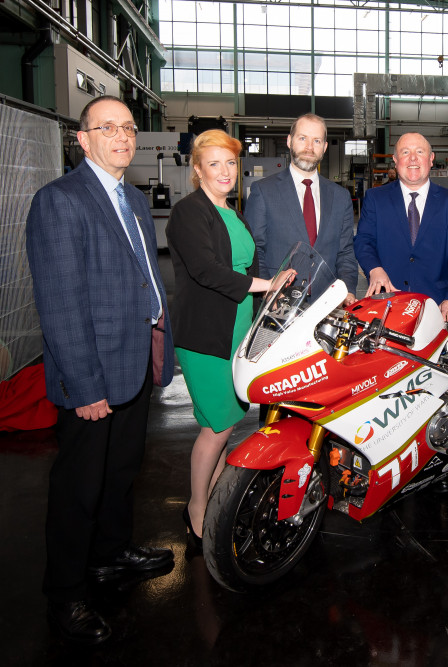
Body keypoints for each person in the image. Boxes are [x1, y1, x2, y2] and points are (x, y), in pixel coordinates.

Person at [26, 95, 175, 644]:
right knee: (78, 488)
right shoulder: (59, 202)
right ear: (82, 140)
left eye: (129, 128)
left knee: (121, 471)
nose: (122, 136)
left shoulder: (132, 199)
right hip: (92, 374)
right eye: (106, 128)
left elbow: (143, 276)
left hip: (131, 362)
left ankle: (112, 554)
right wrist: (85, 386)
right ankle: (65, 594)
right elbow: (61, 306)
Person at [166, 130, 287, 547]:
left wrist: (275, 283)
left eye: (231, 163)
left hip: (236, 328)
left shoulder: (233, 215)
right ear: (197, 170)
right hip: (205, 335)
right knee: (216, 426)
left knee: (228, 422)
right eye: (214, 163)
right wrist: (265, 285)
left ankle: (214, 505)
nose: (224, 171)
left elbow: (241, 264)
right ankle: (196, 511)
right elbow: (205, 270)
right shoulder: (188, 213)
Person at [354, 132, 448, 324]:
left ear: (431, 158)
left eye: (420, 151)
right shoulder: (376, 198)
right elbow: (363, 240)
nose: (413, 158)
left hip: (436, 305)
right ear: (395, 160)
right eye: (405, 152)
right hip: (387, 303)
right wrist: (374, 269)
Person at [245, 113, 358, 303]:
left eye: (317, 140)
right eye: (302, 138)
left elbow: (345, 252)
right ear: (289, 141)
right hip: (278, 302)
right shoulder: (263, 191)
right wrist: (270, 291)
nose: (309, 147)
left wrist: (347, 291)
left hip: (326, 304)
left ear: (324, 147)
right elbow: (255, 251)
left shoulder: (340, 196)